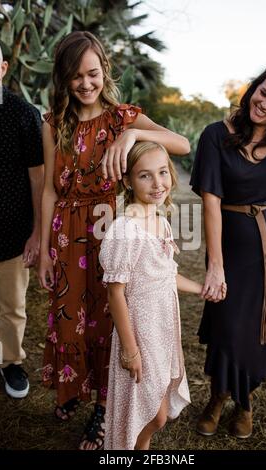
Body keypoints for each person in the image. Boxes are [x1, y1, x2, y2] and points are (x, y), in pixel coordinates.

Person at [38, 31, 190, 450]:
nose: (86, 84)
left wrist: (132, 136)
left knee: (108, 320)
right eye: (76, 77)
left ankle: (106, 410)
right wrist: (44, 247)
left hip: (109, 226)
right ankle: (73, 389)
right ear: (63, 79)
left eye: (92, 73)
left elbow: (181, 142)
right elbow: (50, 188)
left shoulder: (122, 116)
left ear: (104, 70)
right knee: (71, 320)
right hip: (67, 233)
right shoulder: (54, 122)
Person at [190, 54, 266, 439]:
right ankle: (218, 396)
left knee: (260, 330)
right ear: (255, 85)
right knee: (227, 325)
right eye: (263, 93)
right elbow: (211, 204)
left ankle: (244, 403)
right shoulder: (215, 135)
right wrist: (215, 265)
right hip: (232, 251)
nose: (265, 105)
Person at [99, 141, 209, 450]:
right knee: (150, 414)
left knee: (156, 410)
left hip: (162, 329)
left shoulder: (159, 222)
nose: (157, 182)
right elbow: (115, 295)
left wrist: (202, 289)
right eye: (145, 175)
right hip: (139, 334)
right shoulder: (124, 231)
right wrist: (130, 350)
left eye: (162, 172)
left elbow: (166, 274)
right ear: (128, 181)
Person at [0, 42, 44, 398]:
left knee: (11, 307)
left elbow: (38, 178)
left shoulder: (23, 114)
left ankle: (8, 362)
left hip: (11, 232)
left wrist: (36, 233)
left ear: (3, 69)